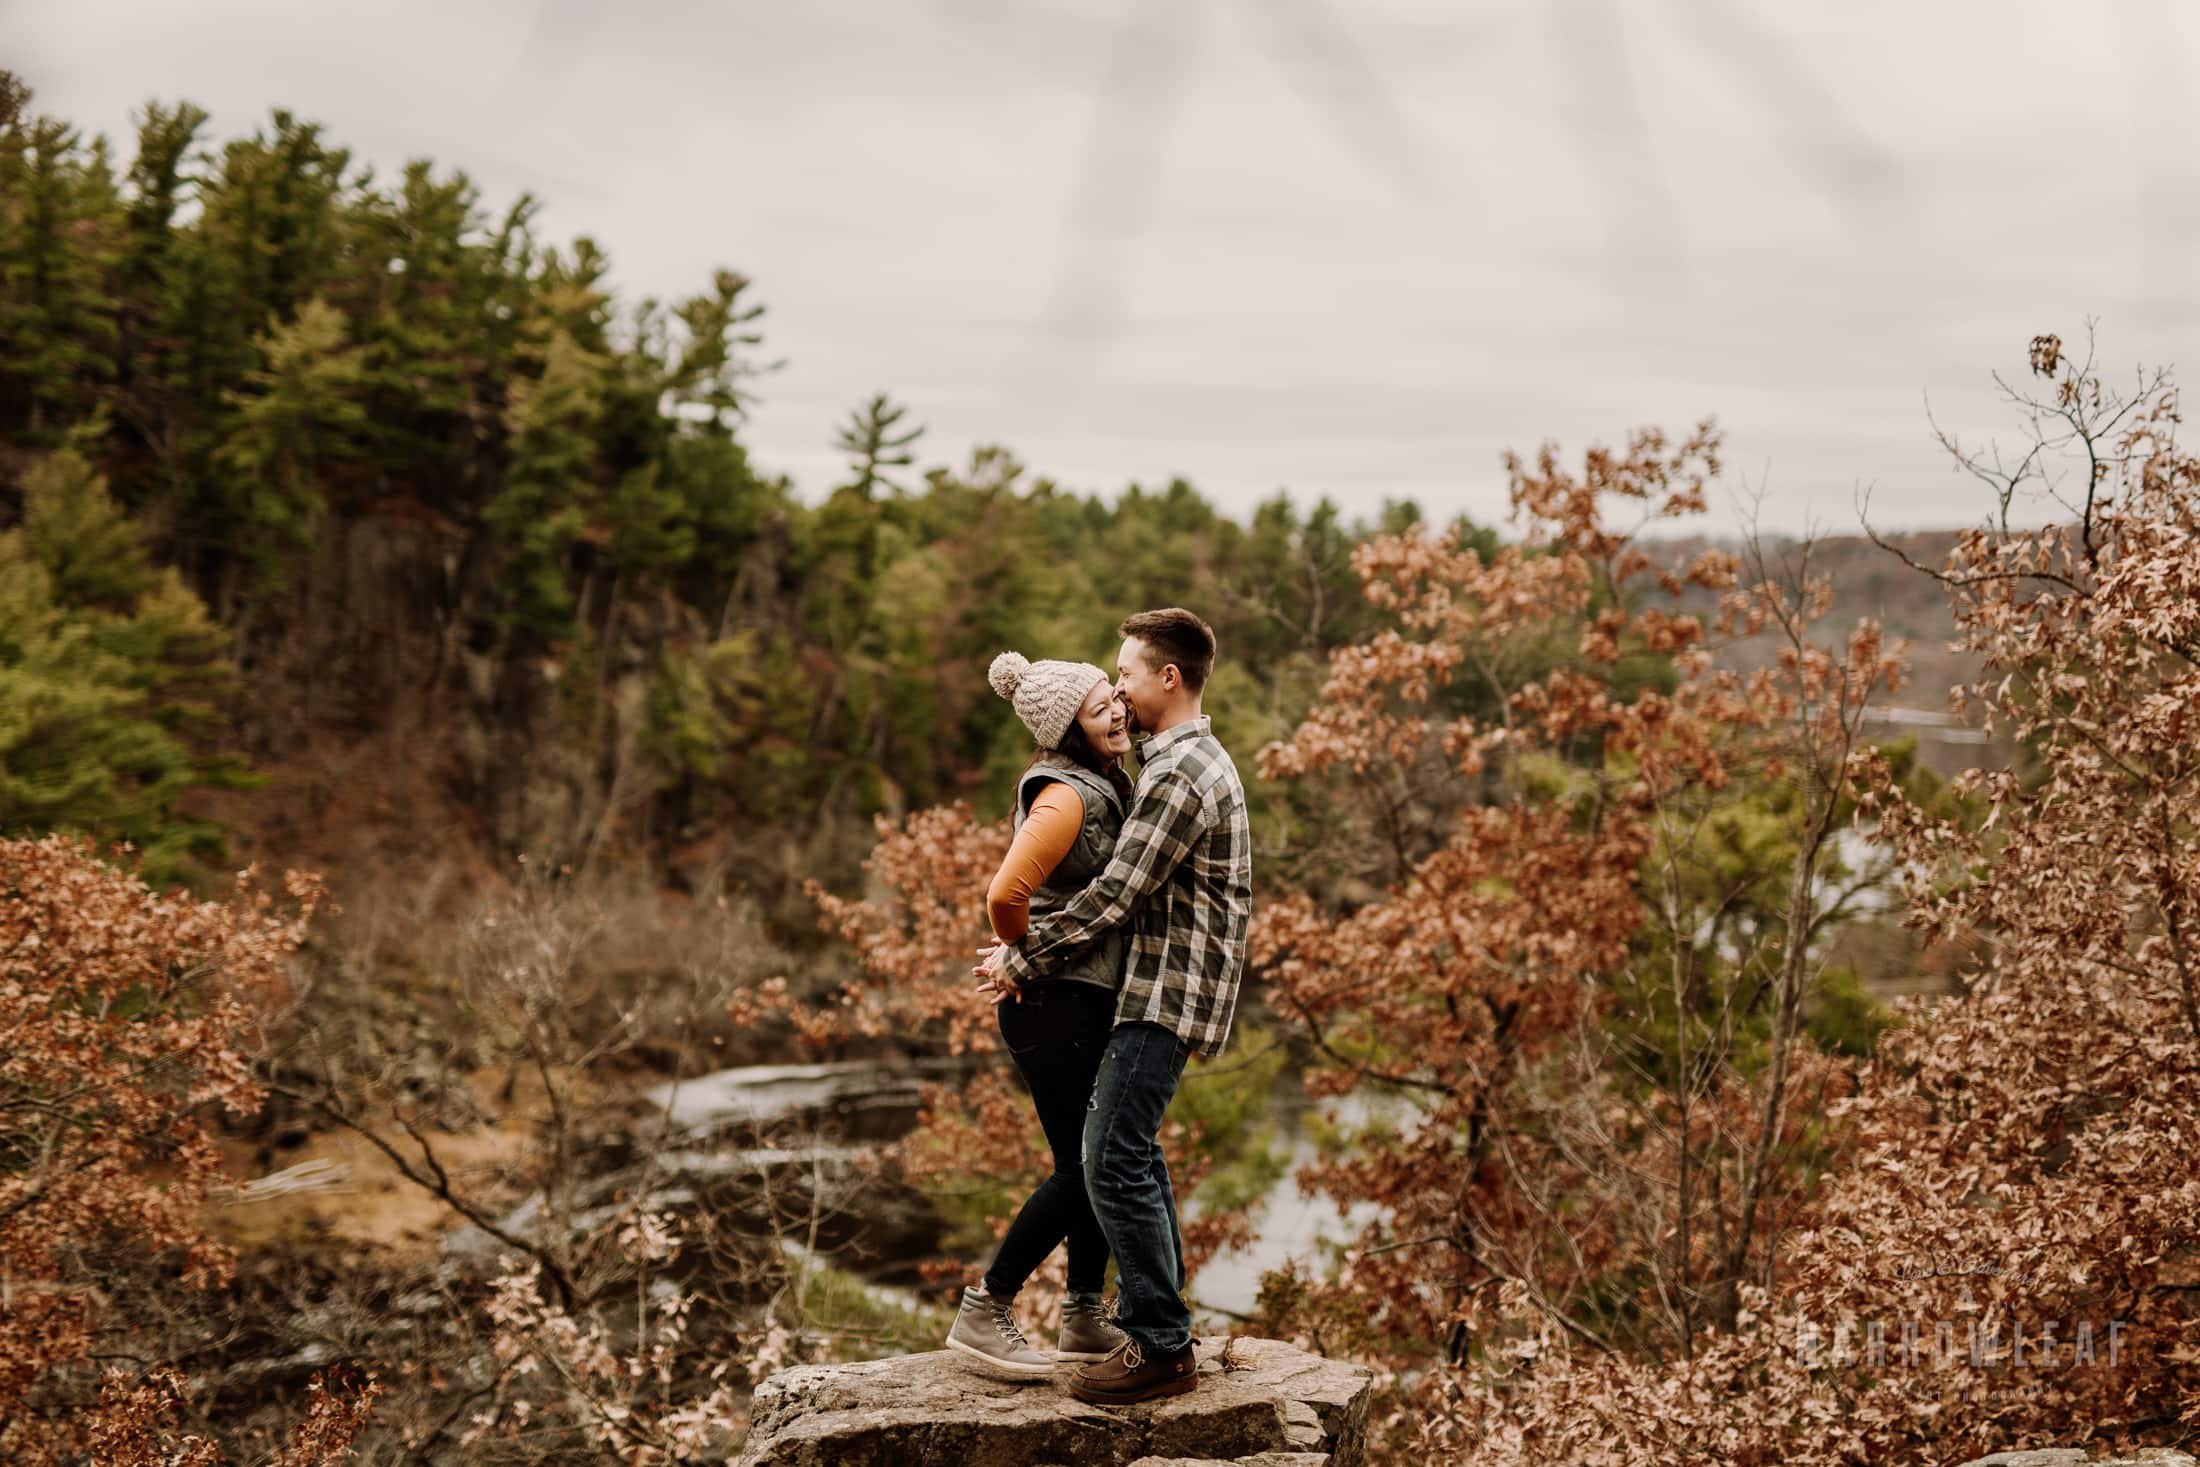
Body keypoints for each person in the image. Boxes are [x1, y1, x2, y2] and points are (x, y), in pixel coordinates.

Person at [978, 607, 1252, 1406]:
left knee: (1106, 1159)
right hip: (1159, 987)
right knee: (1130, 1154)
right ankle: (1155, 1330)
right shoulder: (1172, 764)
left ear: (1169, 677)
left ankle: (1161, 1345)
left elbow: (1114, 897)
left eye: (1127, 671)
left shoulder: (1179, 773)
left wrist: (1020, 955)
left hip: (1165, 990)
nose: (1121, 686)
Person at [942, 650, 1137, 1378]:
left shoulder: (1101, 780)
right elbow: (1003, 895)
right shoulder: (1066, 795)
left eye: (1113, 696)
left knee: (1092, 1161)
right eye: (1098, 710)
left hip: (1076, 1000)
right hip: (1055, 1004)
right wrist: (1023, 957)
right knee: (1088, 1164)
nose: (1116, 711)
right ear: (1069, 731)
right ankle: (986, 1306)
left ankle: (1084, 1314)